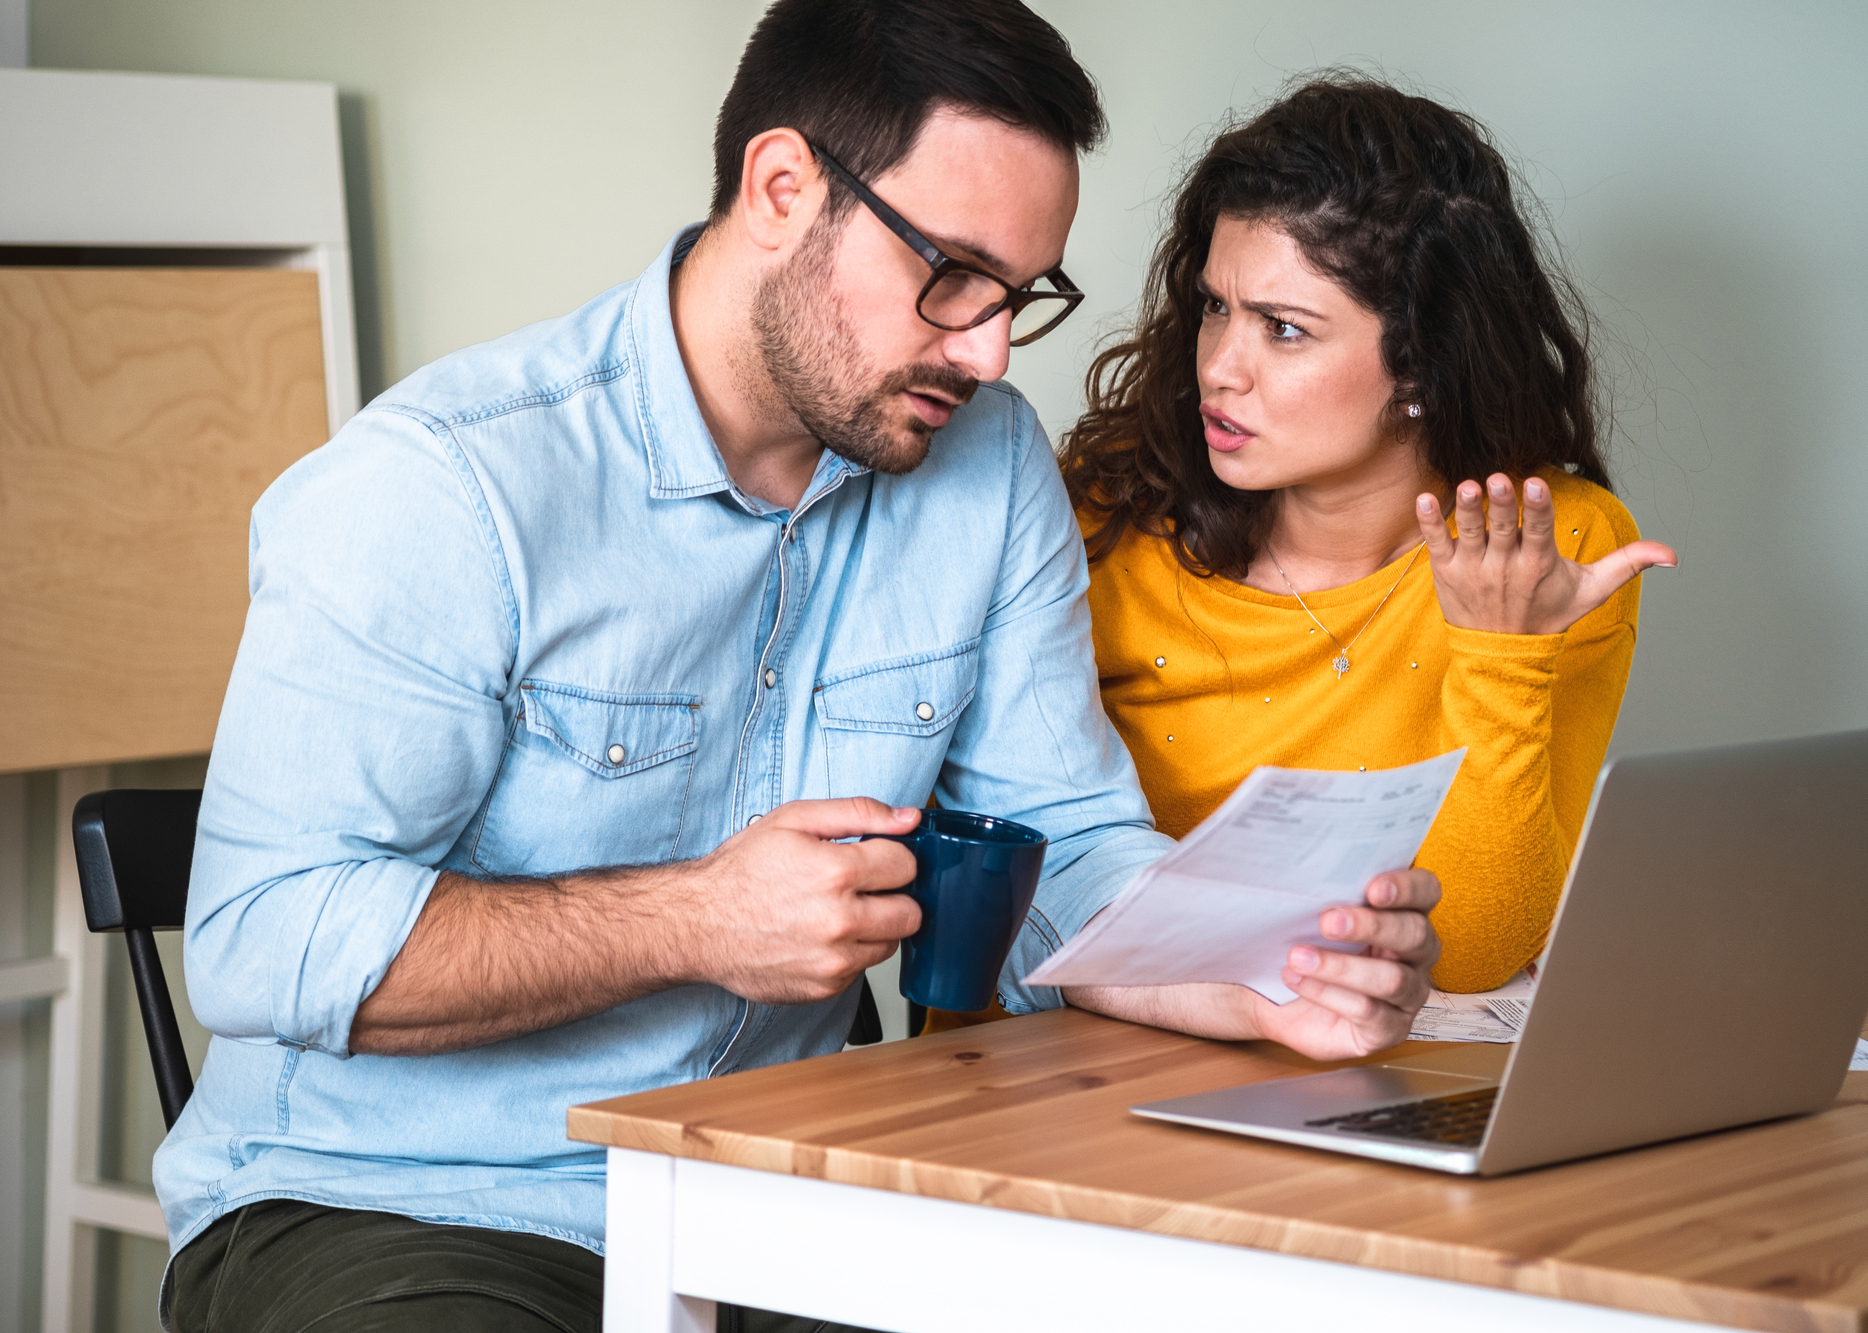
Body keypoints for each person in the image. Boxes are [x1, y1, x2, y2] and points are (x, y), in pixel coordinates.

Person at [160, 11, 1445, 1332]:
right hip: (404, 1207)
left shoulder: (984, 465)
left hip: (780, 1199)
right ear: (783, 189)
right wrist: (696, 917)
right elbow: (267, 944)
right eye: (952, 275)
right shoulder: (443, 485)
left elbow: (1063, 846)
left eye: (1020, 295)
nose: (991, 350)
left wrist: (1252, 963)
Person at [1063, 76, 1678, 997]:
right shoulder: (1100, 517)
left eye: (1284, 329)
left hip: (1348, 1066)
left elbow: (1472, 951)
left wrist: (1500, 652)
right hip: (1063, 1062)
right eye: (1215, 307)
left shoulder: (1551, 543)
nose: (1220, 368)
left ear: (1421, 369)